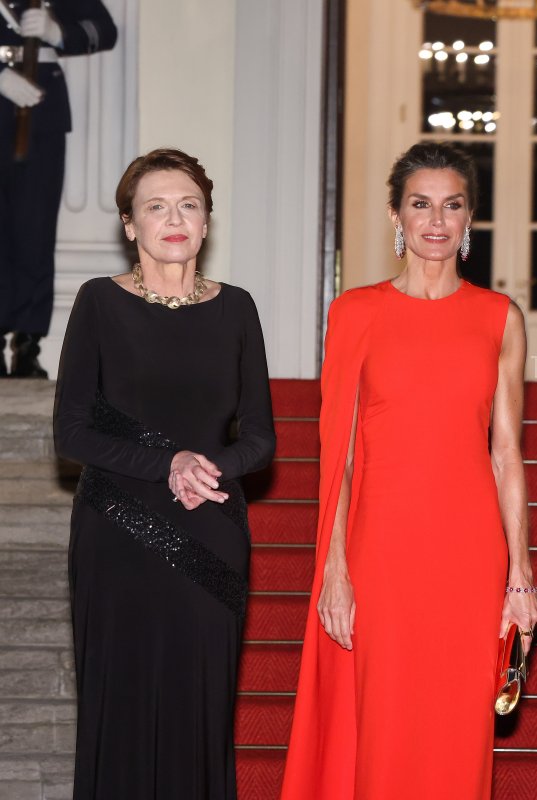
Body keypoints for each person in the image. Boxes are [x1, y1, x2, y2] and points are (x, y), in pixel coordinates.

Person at [280, 142, 537, 799]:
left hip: (466, 554)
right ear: (395, 216)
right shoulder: (355, 314)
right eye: (420, 204)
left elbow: (506, 451)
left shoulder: (499, 319)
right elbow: (337, 453)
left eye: (452, 205)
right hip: (380, 552)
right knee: (384, 727)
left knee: (456, 732)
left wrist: (520, 571)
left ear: (470, 219)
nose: (436, 220)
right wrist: (334, 570)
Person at [54, 148, 276, 798]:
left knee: (199, 706)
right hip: (116, 532)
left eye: (189, 205)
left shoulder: (236, 309)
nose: (174, 218)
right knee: (117, 704)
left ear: (207, 222)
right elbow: (71, 433)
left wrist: (209, 468)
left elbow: (261, 437)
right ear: (130, 224)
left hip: (211, 534)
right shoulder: (99, 303)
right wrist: (165, 462)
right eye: (156, 206)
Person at [1, 0, 117, 377]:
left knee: (34, 230)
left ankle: (27, 343)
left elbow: (103, 29)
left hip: (39, 112)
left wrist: (56, 32)